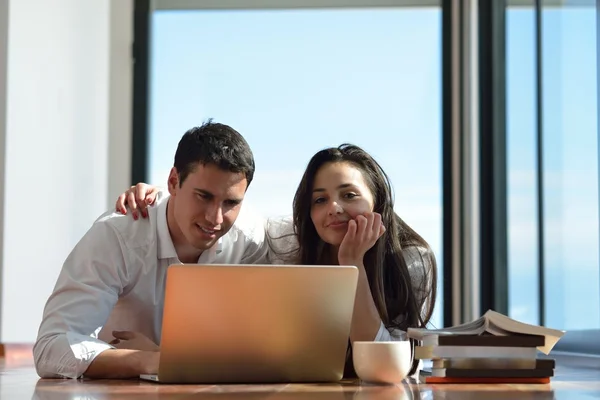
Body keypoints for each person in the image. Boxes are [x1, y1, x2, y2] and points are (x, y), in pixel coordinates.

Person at [117, 144, 437, 376]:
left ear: (378, 200)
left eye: (349, 195)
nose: (334, 208)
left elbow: (381, 369)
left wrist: (352, 262)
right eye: (320, 199)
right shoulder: (287, 243)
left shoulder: (410, 261)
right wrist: (162, 196)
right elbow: (247, 343)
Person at [33, 121, 269, 379]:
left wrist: (162, 356)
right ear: (173, 182)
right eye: (203, 196)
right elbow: (50, 349)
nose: (215, 218)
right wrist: (148, 361)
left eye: (231, 202)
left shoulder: (250, 238)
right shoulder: (117, 236)